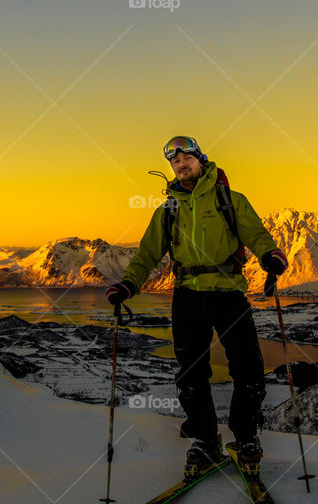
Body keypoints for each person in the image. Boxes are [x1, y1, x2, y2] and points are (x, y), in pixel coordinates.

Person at [105, 135, 288, 470]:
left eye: (186, 157)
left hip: (229, 292)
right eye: (174, 161)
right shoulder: (168, 210)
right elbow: (147, 254)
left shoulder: (231, 201)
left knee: (248, 368)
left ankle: (246, 436)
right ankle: (205, 440)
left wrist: (269, 255)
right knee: (190, 374)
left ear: (201, 159)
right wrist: (128, 284)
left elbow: (257, 235)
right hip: (187, 294)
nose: (180, 164)